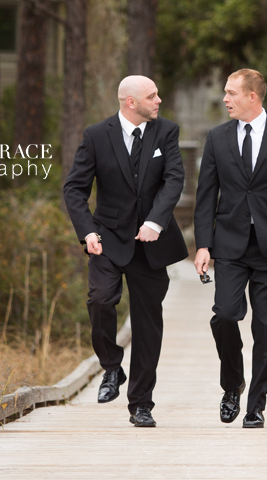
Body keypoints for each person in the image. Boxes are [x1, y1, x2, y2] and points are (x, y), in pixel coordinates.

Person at [193, 68, 267, 429]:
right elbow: (205, 197)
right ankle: (232, 385)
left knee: (265, 325)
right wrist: (203, 245)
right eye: (225, 93)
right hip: (229, 246)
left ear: (252, 96)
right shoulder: (217, 138)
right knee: (226, 315)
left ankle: (256, 404)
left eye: (231, 93)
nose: (225, 99)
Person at [63, 75, 187, 428]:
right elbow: (74, 188)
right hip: (106, 238)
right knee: (100, 298)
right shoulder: (96, 136)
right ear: (130, 102)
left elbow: (173, 180)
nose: (159, 100)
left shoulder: (166, 132)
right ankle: (111, 367)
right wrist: (87, 231)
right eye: (152, 96)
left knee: (148, 325)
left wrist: (155, 221)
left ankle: (141, 404)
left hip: (151, 244)